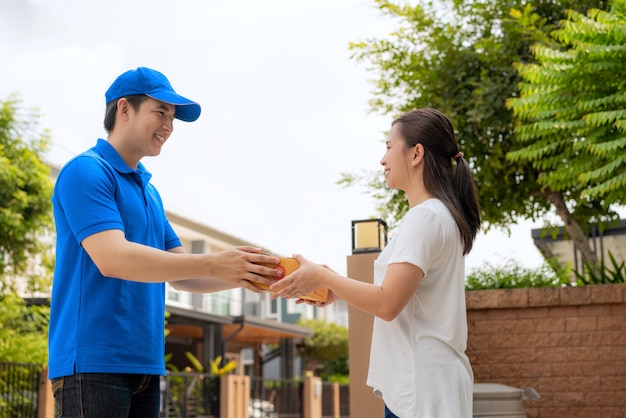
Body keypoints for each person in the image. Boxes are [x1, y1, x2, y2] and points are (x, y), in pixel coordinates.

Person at [48, 67, 282, 418]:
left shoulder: (149, 192)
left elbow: (181, 274)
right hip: (92, 364)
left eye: (172, 118)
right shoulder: (86, 171)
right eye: (161, 112)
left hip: (146, 365)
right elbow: (112, 257)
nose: (169, 127)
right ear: (124, 109)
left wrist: (252, 274)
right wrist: (215, 262)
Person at [270, 108, 481, 418]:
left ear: (416, 154)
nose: (382, 160)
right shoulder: (438, 215)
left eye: (388, 146)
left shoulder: (424, 217)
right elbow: (400, 297)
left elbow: (387, 304)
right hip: (428, 386)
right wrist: (335, 286)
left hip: (420, 391)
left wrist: (325, 278)